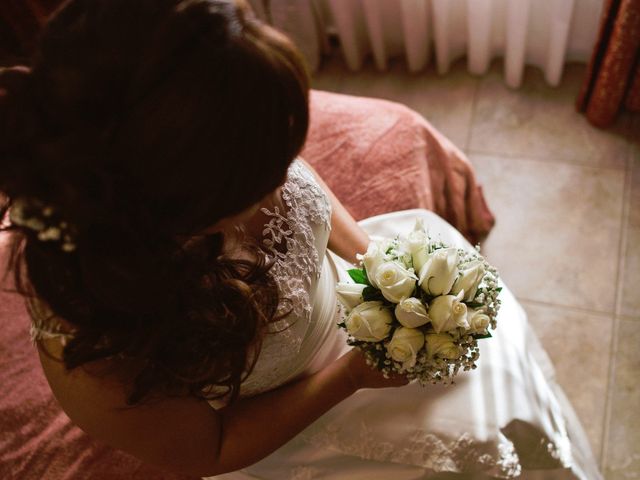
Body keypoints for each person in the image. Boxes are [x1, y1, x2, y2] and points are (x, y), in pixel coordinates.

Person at [0, 1, 603, 479]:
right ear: (178, 201)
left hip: (357, 312)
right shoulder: (95, 341)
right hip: (301, 420)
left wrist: (376, 262)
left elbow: (303, 187)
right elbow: (206, 452)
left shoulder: (219, 124)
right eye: (265, 171)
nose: (285, 172)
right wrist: (351, 379)